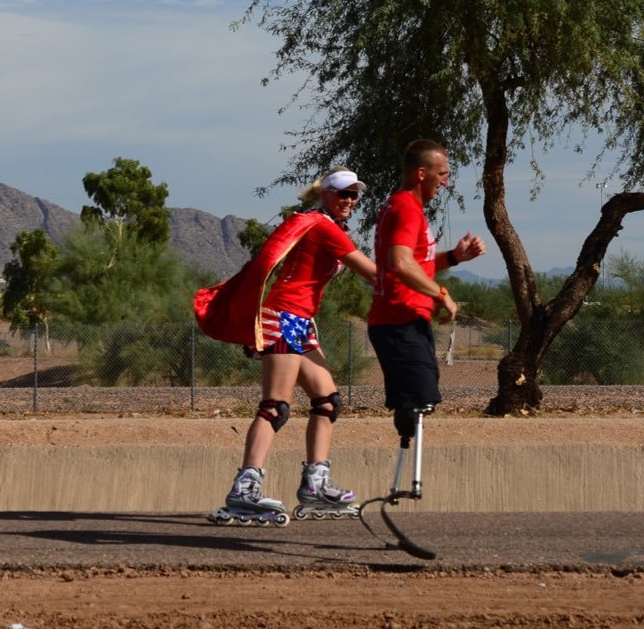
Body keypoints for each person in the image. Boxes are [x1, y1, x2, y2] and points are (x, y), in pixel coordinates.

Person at [196, 167, 376, 522]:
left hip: (301, 323)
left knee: (327, 402)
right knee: (276, 407)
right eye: (343, 193)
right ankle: (245, 488)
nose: (350, 201)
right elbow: (372, 273)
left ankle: (316, 484)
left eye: (354, 195)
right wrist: (427, 271)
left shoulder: (322, 225)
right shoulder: (321, 225)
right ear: (325, 194)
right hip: (282, 318)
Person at [367, 139, 486, 442]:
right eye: (443, 174)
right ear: (422, 173)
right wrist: (441, 294)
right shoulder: (406, 207)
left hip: (405, 321)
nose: (446, 182)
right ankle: (406, 477)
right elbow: (401, 263)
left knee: (419, 401)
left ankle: (405, 474)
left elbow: (419, 263)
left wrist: (456, 257)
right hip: (398, 321)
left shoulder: (407, 207)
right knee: (420, 398)